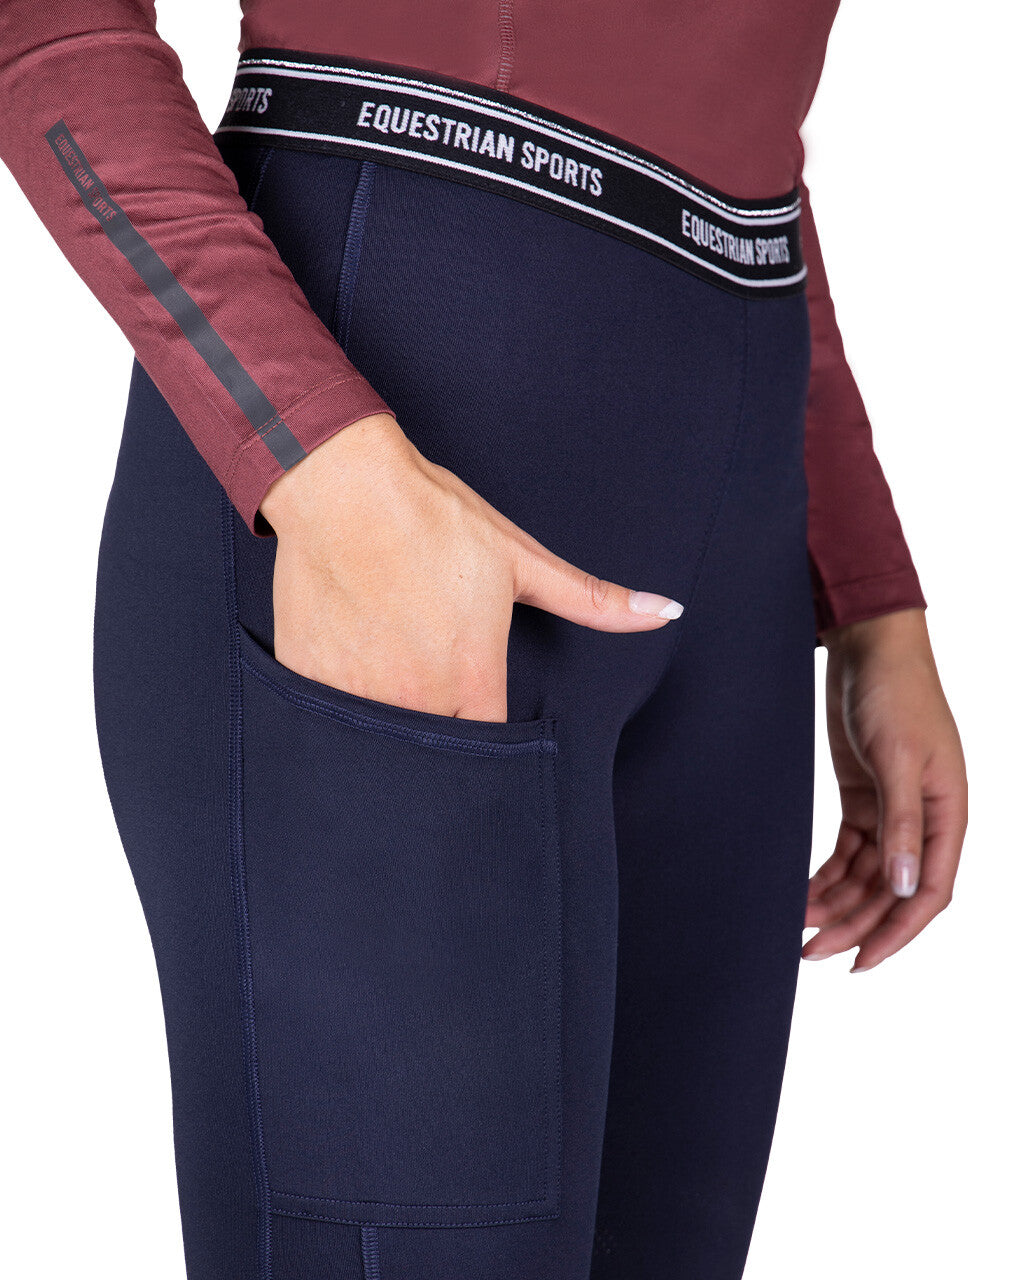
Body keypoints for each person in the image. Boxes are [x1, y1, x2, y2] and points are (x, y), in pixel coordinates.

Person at [0, 4, 968, 1279]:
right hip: (387, 433)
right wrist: (315, 455)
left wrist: (871, 596)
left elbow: (735, 133)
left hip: (733, 519)